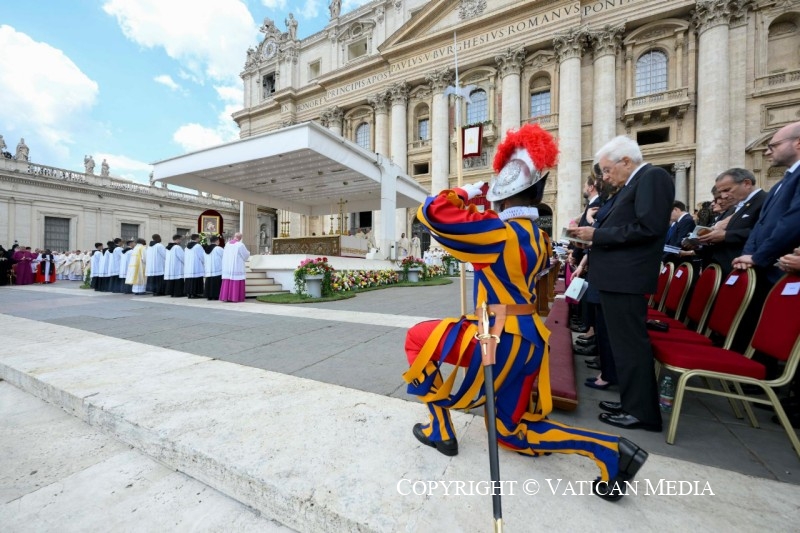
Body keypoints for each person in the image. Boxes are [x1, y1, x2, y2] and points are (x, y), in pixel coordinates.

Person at [404, 124, 648, 501]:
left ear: (501, 195)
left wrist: (470, 191)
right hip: (530, 340)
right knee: (510, 433)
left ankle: (440, 429)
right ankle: (609, 450)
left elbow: (432, 210)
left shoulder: (497, 233)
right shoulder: (540, 236)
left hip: (496, 338)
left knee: (416, 339)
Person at [569, 135, 674, 433]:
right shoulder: (632, 185)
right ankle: (631, 403)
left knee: (631, 347)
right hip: (617, 277)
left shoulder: (653, 177)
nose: (604, 176)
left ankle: (642, 412)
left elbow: (649, 227)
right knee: (622, 347)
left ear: (626, 161)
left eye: (606, 169)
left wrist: (597, 235)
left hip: (627, 278)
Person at [733, 121, 800, 284]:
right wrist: (748, 255)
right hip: (762, 269)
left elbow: (792, 222)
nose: (767, 152)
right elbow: (760, 224)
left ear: (798, 143)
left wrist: (759, 256)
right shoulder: (779, 184)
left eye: (774, 146)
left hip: (785, 269)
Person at [695, 168, 765, 277]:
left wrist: (726, 235)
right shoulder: (738, 206)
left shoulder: (765, 200)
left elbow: (765, 232)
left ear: (747, 183)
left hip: (747, 270)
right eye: (721, 192)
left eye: (727, 190)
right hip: (727, 269)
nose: (723, 196)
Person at [219, 232, 250, 302]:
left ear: (234, 236)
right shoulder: (240, 245)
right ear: (240, 238)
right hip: (236, 265)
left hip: (228, 265)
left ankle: (226, 297)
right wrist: (249, 253)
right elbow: (245, 255)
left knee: (228, 279)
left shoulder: (227, 244)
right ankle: (235, 297)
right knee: (236, 278)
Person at [183, 234, 205, 299]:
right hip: (196, 265)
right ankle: (195, 293)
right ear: (197, 238)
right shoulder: (198, 246)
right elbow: (202, 256)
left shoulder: (186, 247)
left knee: (189, 280)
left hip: (188, 266)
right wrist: (204, 262)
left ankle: (189, 293)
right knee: (196, 280)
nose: (199, 239)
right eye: (199, 238)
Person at [204, 235, 224, 300]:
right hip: (217, 268)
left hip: (209, 268)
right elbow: (225, 256)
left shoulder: (206, 249)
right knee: (216, 282)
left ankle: (208, 296)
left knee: (209, 281)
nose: (219, 242)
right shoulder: (218, 248)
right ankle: (215, 295)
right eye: (218, 240)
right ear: (217, 241)